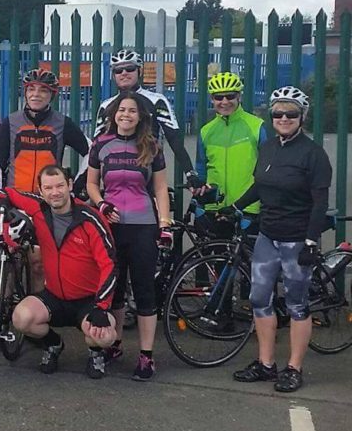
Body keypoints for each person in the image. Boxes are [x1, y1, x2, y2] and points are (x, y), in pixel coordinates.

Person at [222, 86, 331, 393]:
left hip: (297, 240)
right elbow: (260, 186)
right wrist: (235, 207)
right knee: (259, 299)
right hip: (267, 236)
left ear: (302, 117)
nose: (283, 118)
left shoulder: (313, 154)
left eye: (291, 114)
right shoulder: (269, 148)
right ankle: (266, 364)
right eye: (278, 114)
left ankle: (294, 368)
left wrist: (311, 242)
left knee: (297, 304)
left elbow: (319, 202)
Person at [0, 165, 117, 378]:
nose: (55, 192)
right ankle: (53, 344)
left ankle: (96, 353)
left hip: (88, 300)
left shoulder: (90, 218)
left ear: (69, 185)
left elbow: (110, 265)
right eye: (48, 188)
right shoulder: (38, 207)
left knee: (105, 336)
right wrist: (1, 203)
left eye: (60, 186)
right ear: (41, 191)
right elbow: (6, 192)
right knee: (21, 318)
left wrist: (101, 306)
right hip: (55, 297)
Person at [86, 91, 171, 382]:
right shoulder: (101, 144)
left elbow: (160, 189)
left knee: (145, 290)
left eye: (132, 111)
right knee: (116, 288)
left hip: (143, 225)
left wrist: (165, 222)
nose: (126, 115)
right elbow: (91, 183)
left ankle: (146, 356)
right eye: (121, 110)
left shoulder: (151, 146)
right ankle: (116, 344)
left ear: (140, 117)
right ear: (114, 115)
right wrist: (101, 203)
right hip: (111, 225)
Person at [0, 68, 89, 295]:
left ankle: (37, 309)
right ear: (25, 93)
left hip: (45, 204)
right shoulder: (11, 122)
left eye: (43, 90)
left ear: (52, 94)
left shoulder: (62, 123)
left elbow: (91, 151)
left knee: (37, 264)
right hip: (15, 200)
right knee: (9, 260)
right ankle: (3, 313)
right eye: (31, 89)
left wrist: (77, 186)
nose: (36, 94)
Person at [92, 49, 204, 190]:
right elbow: (95, 147)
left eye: (130, 68)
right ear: (113, 76)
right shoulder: (106, 106)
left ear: (140, 71)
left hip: (149, 173)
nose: (124, 73)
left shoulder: (157, 101)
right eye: (118, 70)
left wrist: (190, 173)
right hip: (116, 174)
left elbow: (174, 138)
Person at [194, 71, 267, 237]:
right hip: (215, 207)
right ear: (212, 99)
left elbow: (267, 169)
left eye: (230, 96)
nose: (225, 102)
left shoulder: (256, 126)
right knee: (218, 260)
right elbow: (201, 167)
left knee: (247, 260)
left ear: (239, 96)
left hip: (248, 207)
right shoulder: (207, 131)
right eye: (219, 97)